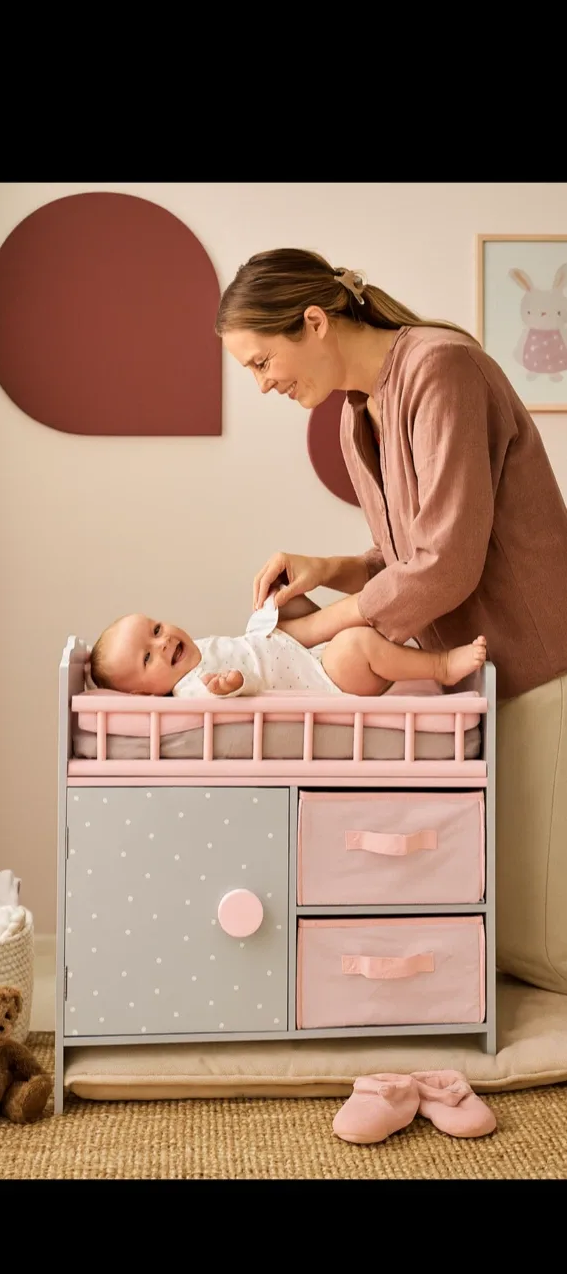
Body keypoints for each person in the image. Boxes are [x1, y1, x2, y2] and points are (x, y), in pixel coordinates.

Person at [215, 247, 567, 996]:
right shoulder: (357, 418)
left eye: (261, 362)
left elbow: (445, 565)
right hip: (478, 672)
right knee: (507, 928)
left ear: (314, 322)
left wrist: (315, 631)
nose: (263, 383)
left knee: (547, 945)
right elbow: (409, 552)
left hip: (539, 663)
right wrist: (332, 567)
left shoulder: (441, 369)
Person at [88, 593, 486, 698]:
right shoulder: (191, 689)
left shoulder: (194, 651)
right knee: (355, 643)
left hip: (293, 653)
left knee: (285, 598)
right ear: (144, 695)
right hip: (325, 679)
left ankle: (382, 606)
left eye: (156, 629)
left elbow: (247, 648)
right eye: (147, 657)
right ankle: (440, 666)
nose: (163, 643)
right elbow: (226, 693)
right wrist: (229, 685)